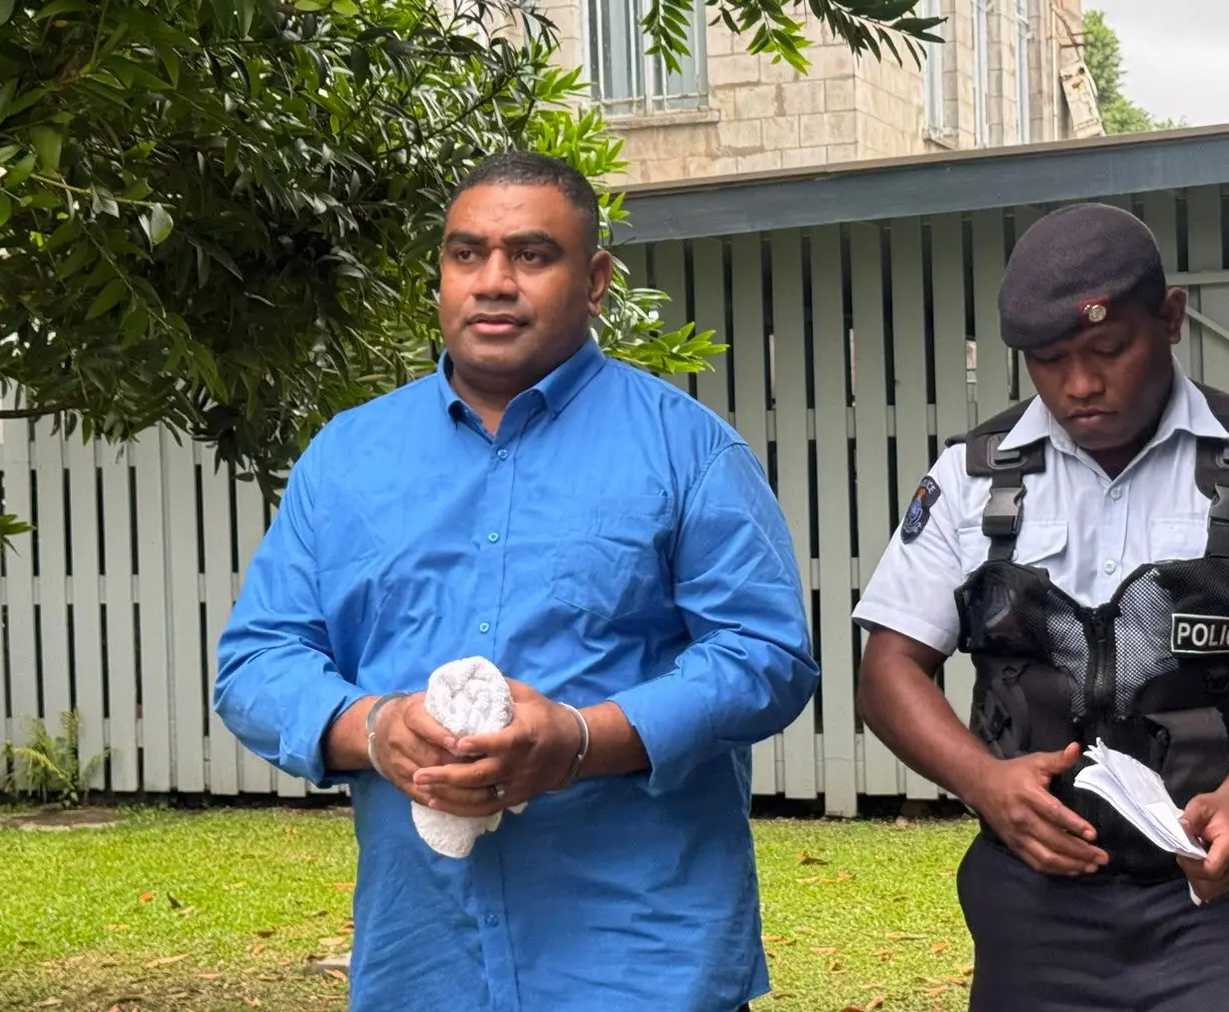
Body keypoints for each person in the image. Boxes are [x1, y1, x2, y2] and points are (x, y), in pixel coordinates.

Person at [212, 151, 818, 1012]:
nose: (493, 282)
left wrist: (578, 740)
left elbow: (767, 659)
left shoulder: (688, 452)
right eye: (467, 254)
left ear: (596, 279)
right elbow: (258, 661)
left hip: (641, 958)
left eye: (532, 255)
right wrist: (375, 728)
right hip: (423, 954)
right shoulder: (347, 459)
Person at [852, 203, 1229, 1010]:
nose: (1079, 384)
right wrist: (985, 781)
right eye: (1048, 359)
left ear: (1169, 318)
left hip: (1224, 895)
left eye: (1108, 349)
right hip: (1034, 899)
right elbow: (888, 669)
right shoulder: (972, 477)